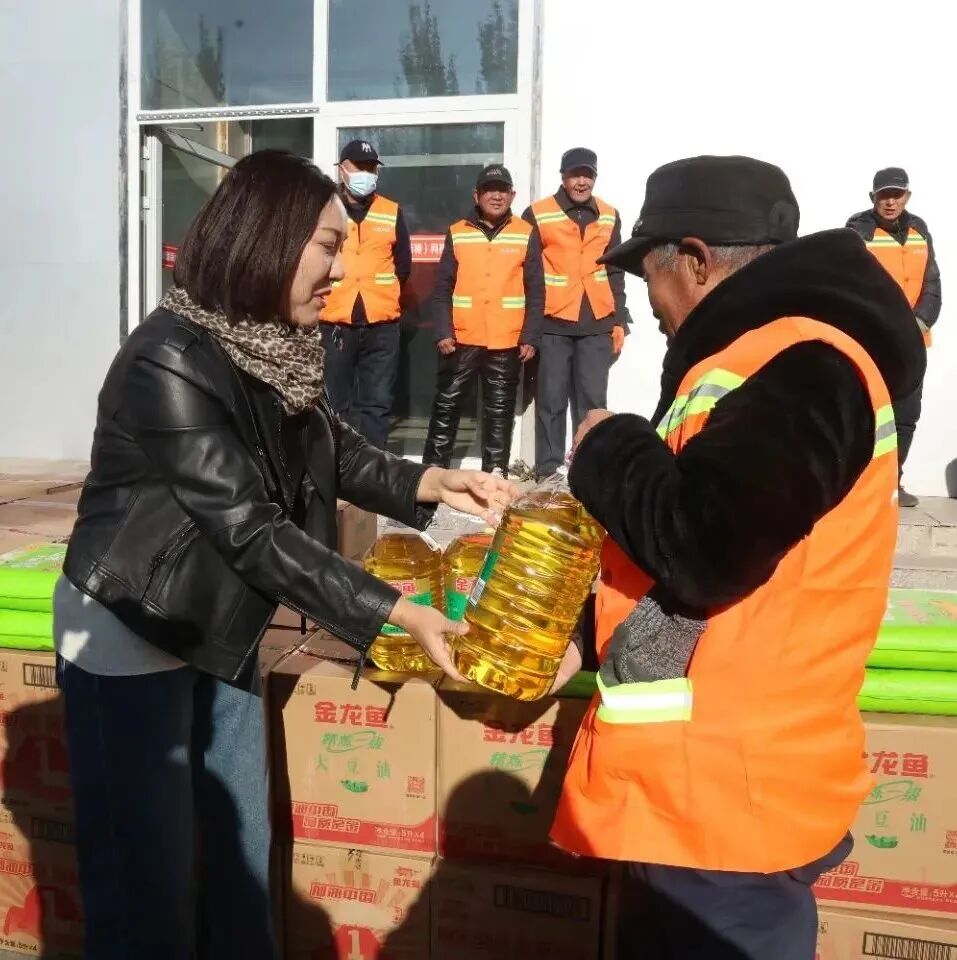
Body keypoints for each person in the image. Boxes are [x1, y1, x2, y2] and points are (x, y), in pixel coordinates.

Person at [55, 150, 515, 960]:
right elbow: (248, 526)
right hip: (134, 627)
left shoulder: (273, 343)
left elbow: (332, 447)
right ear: (267, 240)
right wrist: (392, 612)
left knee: (240, 857)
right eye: (328, 247)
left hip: (223, 618)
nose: (339, 271)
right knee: (147, 885)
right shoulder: (168, 358)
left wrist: (431, 482)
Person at [546, 156, 924, 960]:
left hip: (729, 803)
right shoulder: (763, 360)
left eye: (646, 276)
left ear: (693, 260)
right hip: (699, 798)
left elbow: (707, 545)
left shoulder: (803, 364)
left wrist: (607, 445)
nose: (645, 305)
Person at [422, 164, 544, 476]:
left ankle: (495, 473)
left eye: (502, 190)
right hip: (461, 338)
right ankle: (434, 471)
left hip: (506, 339)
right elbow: (441, 288)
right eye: (490, 190)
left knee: (500, 410)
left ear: (512, 195)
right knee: (447, 404)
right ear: (476, 195)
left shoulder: (526, 233)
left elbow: (536, 291)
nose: (496, 196)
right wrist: (443, 331)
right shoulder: (457, 232)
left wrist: (530, 336)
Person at [524, 148, 628, 477]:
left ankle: (588, 472)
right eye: (575, 175)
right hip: (553, 321)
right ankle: (548, 472)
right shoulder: (538, 214)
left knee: (592, 403)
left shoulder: (609, 214)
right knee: (551, 400)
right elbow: (527, 273)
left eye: (588, 175)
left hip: (597, 322)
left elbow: (615, 270)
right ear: (563, 177)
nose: (582, 182)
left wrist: (620, 319)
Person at [847, 167, 942, 507]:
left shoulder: (920, 230)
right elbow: (851, 285)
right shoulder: (858, 231)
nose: (890, 202)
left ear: (907, 197)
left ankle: (892, 483)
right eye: (883, 195)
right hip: (873, 341)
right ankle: (857, 485)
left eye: (896, 195)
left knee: (905, 416)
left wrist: (919, 322)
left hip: (913, 342)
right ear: (872, 197)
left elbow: (932, 283)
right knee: (866, 412)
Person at [319, 139, 412, 448]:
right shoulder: (323, 210)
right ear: (342, 170)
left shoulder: (391, 211)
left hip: (382, 325)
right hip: (335, 323)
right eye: (359, 166)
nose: (366, 173)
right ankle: (337, 465)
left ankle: (373, 469)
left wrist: (381, 294)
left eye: (371, 168)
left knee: (377, 404)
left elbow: (403, 266)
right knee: (335, 404)